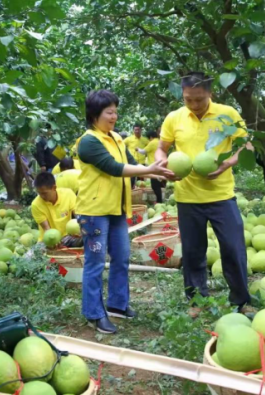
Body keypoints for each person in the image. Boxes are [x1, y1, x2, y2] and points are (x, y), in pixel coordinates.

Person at [155, 71, 253, 319]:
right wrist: (163, 164)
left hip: (221, 195)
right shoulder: (174, 118)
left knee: (233, 248)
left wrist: (228, 162)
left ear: (210, 93)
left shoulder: (227, 114)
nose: (194, 105)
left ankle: (241, 300)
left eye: (199, 99)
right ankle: (197, 300)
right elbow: (161, 148)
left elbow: (246, 144)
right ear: (183, 95)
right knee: (193, 252)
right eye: (189, 99)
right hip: (188, 197)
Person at [76, 90, 174, 334]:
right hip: (94, 211)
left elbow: (134, 166)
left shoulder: (117, 139)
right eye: (109, 112)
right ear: (94, 114)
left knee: (121, 257)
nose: (114, 116)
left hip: (118, 208)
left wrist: (157, 173)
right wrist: (151, 169)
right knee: (96, 263)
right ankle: (94, 314)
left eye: (115, 111)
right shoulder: (88, 141)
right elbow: (113, 168)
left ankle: (117, 305)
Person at [31, 172, 81, 247]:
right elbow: (47, 229)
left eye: (44, 193)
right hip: (48, 240)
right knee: (32, 255)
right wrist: (53, 242)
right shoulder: (36, 204)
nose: (42, 196)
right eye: (39, 193)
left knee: (86, 237)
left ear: (54, 188)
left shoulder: (68, 194)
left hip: (67, 238)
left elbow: (78, 216)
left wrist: (80, 230)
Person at [136, 131, 163, 203]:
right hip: (160, 165)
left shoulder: (152, 143)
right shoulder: (160, 141)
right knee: (158, 185)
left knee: (155, 186)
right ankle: (159, 200)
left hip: (154, 166)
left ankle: (159, 201)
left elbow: (143, 151)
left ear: (151, 137)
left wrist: (138, 149)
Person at [124, 123, 149, 188]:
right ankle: (131, 191)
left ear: (141, 130)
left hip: (142, 162)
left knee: (141, 180)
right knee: (131, 179)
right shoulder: (129, 139)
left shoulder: (145, 140)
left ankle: (140, 194)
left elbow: (149, 148)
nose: (137, 131)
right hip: (131, 162)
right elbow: (121, 145)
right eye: (135, 130)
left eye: (138, 129)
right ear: (133, 130)